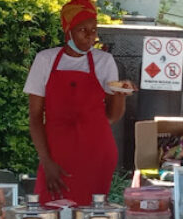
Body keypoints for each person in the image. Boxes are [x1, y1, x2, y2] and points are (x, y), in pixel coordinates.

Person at [24, 0, 136, 205]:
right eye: (82, 30)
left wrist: (120, 94)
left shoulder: (104, 61)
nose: (90, 36)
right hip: (57, 154)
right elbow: (35, 116)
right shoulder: (45, 60)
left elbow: (111, 116)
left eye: (93, 30)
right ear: (68, 30)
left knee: (90, 214)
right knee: (49, 211)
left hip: (97, 154)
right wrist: (47, 161)